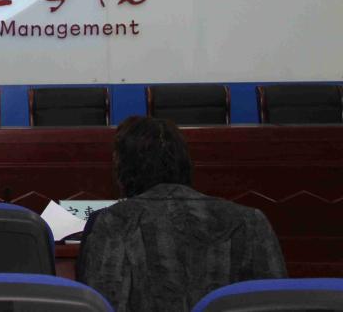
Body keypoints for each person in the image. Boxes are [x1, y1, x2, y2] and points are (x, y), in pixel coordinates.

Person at [77, 116, 286, 311]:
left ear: (122, 169)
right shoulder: (250, 220)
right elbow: (278, 302)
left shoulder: (113, 223)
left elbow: (100, 303)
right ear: (185, 162)